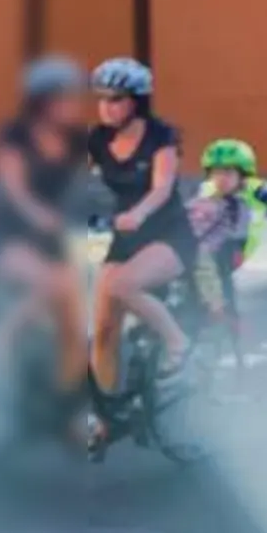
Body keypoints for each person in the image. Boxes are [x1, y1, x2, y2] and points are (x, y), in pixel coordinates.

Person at [87, 57, 199, 400]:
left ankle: (179, 343)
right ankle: (103, 415)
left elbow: (162, 186)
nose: (106, 107)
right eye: (102, 99)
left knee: (123, 284)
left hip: (167, 233)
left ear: (137, 102)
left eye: (116, 99)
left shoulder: (158, 137)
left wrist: (138, 213)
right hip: (126, 238)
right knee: (104, 328)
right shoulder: (97, 140)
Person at [0, 56, 89, 400]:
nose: (76, 103)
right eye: (68, 96)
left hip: (50, 239)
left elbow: (105, 175)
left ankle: (66, 401)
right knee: (55, 285)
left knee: (73, 318)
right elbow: (14, 189)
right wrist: (39, 215)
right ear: (45, 101)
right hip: (10, 234)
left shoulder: (76, 138)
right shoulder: (15, 135)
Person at [187, 138, 267, 335]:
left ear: (242, 176)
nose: (221, 178)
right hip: (205, 240)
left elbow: (261, 198)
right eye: (216, 172)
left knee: (211, 265)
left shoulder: (249, 196)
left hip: (234, 245)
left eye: (228, 173)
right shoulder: (208, 192)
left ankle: (224, 310)